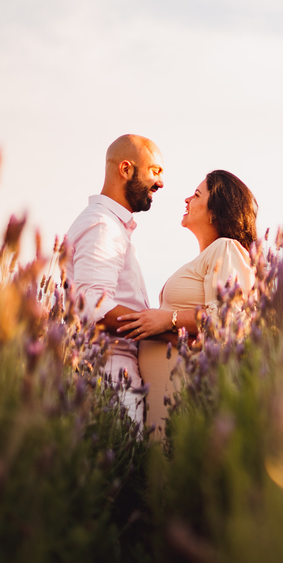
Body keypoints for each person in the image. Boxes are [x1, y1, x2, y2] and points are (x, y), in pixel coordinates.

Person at [118, 169, 258, 439]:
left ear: (215, 211)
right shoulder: (204, 258)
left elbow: (228, 322)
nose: (186, 199)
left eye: (196, 195)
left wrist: (167, 319)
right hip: (163, 400)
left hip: (185, 399)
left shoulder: (226, 248)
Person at [64, 134, 165, 425]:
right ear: (126, 170)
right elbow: (93, 303)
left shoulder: (108, 224)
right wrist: (163, 330)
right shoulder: (102, 224)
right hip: (108, 375)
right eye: (155, 171)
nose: (160, 183)